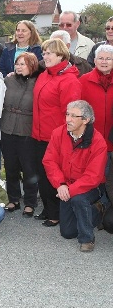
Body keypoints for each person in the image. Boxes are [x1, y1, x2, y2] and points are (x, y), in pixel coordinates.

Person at [43, 100, 107, 252]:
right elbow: (49, 160)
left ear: (86, 120)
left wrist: (69, 190)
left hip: (92, 187)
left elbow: (93, 176)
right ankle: (92, 211)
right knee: (67, 232)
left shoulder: (98, 142)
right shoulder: (58, 133)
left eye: (73, 116)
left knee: (79, 199)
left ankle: (87, 239)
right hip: (65, 185)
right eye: (67, 114)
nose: (68, 119)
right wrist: (60, 184)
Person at [32, 38, 81, 226]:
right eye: (43, 53)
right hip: (38, 134)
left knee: (53, 176)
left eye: (49, 53)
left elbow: (71, 115)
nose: (45, 57)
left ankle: (56, 213)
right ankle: (47, 208)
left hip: (56, 137)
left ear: (60, 54)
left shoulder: (69, 80)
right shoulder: (46, 74)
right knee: (42, 175)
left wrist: (61, 138)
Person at [1, 52, 41, 217]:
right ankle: (14, 198)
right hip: (7, 127)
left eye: (22, 64)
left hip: (27, 129)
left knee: (29, 167)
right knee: (10, 166)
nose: (18, 67)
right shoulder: (8, 80)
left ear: (31, 65)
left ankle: (30, 202)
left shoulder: (38, 82)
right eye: (17, 63)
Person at [79, 45, 113, 157]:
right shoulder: (84, 81)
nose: (104, 62)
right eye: (100, 58)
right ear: (94, 60)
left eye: (108, 59)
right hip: (91, 141)